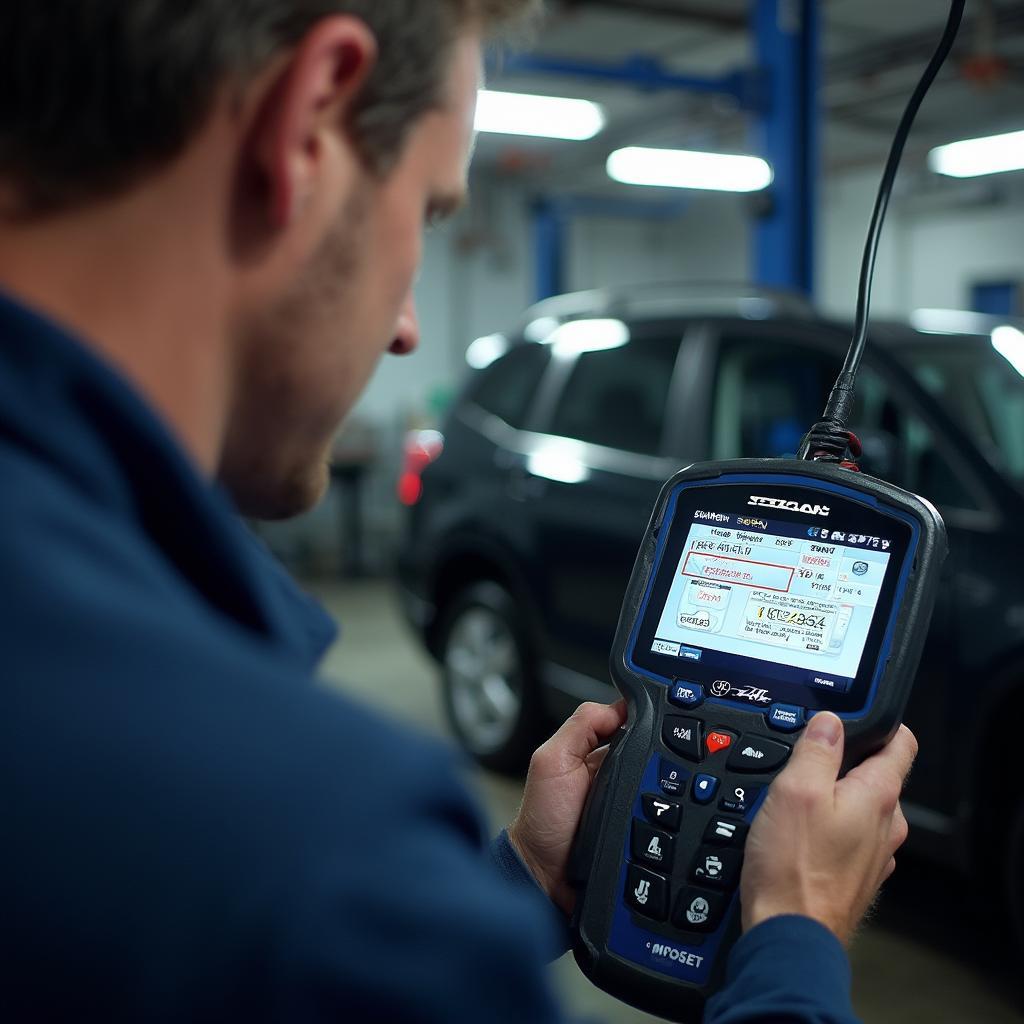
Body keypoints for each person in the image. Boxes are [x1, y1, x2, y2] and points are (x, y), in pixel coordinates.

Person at [0, 2, 916, 1021]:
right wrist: (794, 934)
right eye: (430, 214)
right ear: (308, 122)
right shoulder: (306, 846)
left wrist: (521, 875)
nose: (404, 330)